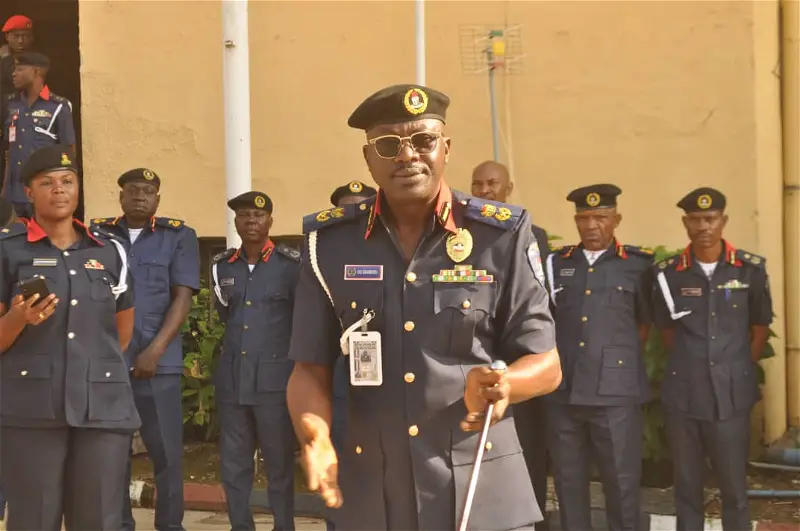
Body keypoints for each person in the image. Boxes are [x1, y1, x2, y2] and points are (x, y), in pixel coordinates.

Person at [286, 84, 562, 530]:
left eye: (423, 140)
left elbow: (548, 364)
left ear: (445, 148)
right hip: (374, 496)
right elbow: (308, 369)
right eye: (388, 145)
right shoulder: (330, 245)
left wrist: (506, 384)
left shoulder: (500, 236)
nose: (407, 155)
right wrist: (315, 437)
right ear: (368, 158)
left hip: (480, 491)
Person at [0, 145, 137, 531]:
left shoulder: (109, 251)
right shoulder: (8, 250)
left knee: (99, 519)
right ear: (29, 192)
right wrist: (18, 318)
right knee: (34, 518)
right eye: (47, 183)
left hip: (102, 408)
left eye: (67, 181)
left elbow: (121, 333)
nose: (58, 189)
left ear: (78, 189)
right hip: (32, 409)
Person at [652, 187, 771, 531]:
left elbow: (760, 327)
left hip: (730, 399)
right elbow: (666, 332)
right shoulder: (667, 273)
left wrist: (734, 367)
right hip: (684, 397)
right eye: (695, 220)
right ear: (685, 223)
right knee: (687, 487)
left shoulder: (749, 270)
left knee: (734, 489)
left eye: (710, 218)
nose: (703, 226)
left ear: (723, 221)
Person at [91, 169, 200, 531]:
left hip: (159, 364)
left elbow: (182, 298)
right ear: (121, 196)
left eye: (148, 191)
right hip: (109, 361)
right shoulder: (97, 236)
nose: (140, 196)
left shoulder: (179, 236)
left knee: (166, 453)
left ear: (158, 199)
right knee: (112, 453)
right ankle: (120, 524)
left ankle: (169, 525)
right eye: (133, 190)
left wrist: (155, 350)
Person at [544, 184, 653, 531]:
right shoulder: (557, 263)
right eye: (584, 218)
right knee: (568, 482)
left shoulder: (639, 265)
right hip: (565, 391)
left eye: (600, 218)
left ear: (616, 220)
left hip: (615, 395)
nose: (591, 226)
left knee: (621, 482)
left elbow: (645, 324)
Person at [210, 191, 301, 531]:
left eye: (258, 215)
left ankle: (284, 526)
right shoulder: (221, 266)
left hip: (275, 382)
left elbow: (301, 321)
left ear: (270, 221)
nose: (251, 221)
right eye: (244, 215)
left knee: (279, 464)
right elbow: (226, 315)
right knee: (234, 466)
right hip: (233, 382)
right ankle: (240, 526)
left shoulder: (290, 265)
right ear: (235, 222)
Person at [471, 159, 552, 528]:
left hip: (521, 366)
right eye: (478, 184)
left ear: (508, 188)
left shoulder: (534, 236)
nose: (485, 191)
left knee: (527, 453)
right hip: (477, 364)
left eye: (492, 183)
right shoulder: (460, 236)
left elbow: (541, 304)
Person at [324, 180, 377, 531]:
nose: (353, 217)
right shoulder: (322, 258)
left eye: (361, 209)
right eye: (345, 211)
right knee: (339, 460)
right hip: (339, 375)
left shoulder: (396, 251)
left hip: (390, 378)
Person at [3, 52, 75, 219]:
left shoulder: (58, 106)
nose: (14, 74)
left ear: (37, 72)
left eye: (20, 69)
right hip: (14, 193)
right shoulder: (12, 104)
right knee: (14, 234)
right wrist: (4, 190)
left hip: (44, 193)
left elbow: (68, 153)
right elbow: (9, 150)